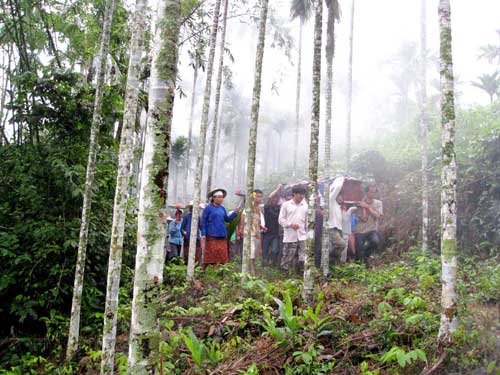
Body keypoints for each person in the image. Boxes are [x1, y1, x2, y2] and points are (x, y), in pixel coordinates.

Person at [200, 188, 239, 269]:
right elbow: (203, 222)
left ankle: (219, 274)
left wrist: (235, 213)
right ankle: (202, 272)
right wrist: (203, 234)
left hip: (222, 236)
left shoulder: (222, 208)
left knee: (221, 257)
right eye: (219, 197)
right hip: (211, 235)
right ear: (214, 198)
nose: (221, 199)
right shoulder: (208, 208)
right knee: (209, 257)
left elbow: (227, 219)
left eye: (222, 197)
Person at [278, 185, 308, 273]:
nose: (301, 196)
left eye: (303, 194)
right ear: (294, 194)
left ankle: (300, 276)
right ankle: (284, 276)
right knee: (287, 257)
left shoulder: (305, 206)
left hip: (302, 236)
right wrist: (290, 225)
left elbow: (307, 221)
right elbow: (281, 219)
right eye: (300, 194)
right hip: (290, 236)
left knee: (303, 258)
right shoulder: (286, 205)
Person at [354, 184, 383, 263]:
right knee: (358, 250)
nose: (373, 194)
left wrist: (367, 207)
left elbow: (377, 216)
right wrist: (362, 207)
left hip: (372, 229)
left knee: (375, 242)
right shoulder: (359, 203)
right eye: (371, 192)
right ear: (366, 192)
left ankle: (366, 256)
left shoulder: (378, 203)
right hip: (360, 230)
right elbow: (363, 218)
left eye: (374, 192)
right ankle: (358, 266)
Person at [239, 189, 265, 275]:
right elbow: (243, 217)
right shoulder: (249, 206)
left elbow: (257, 221)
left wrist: (261, 227)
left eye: (260, 196)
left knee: (255, 253)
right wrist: (242, 229)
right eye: (257, 196)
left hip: (256, 233)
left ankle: (252, 271)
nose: (259, 198)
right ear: (253, 197)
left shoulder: (258, 208)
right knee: (251, 253)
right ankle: (252, 272)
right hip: (249, 233)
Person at [262, 185, 283, 267]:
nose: (274, 200)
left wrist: (280, 192)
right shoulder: (267, 207)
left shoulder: (279, 208)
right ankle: (264, 266)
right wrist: (277, 189)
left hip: (275, 233)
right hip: (267, 233)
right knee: (265, 251)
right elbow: (269, 197)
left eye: (276, 198)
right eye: (273, 198)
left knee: (275, 250)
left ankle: (271, 264)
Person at [328, 177, 347, 267]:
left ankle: (335, 266)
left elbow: (345, 220)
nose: (342, 198)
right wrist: (342, 178)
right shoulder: (331, 201)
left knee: (340, 248)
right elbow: (338, 187)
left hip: (339, 229)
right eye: (340, 196)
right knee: (341, 244)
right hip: (332, 228)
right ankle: (330, 259)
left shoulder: (338, 207)